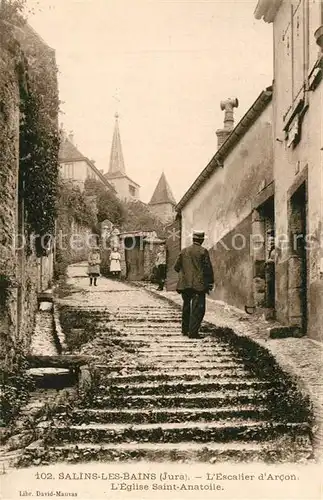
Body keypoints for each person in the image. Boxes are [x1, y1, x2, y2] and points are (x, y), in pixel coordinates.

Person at [174, 230, 214, 339]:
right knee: (198, 309)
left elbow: (176, 267)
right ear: (201, 240)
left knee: (186, 306)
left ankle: (185, 330)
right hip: (198, 285)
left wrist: (185, 274)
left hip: (185, 285)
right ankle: (193, 333)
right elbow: (207, 269)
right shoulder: (203, 251)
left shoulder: (184, 251)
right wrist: (210, 282)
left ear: (193, 239)